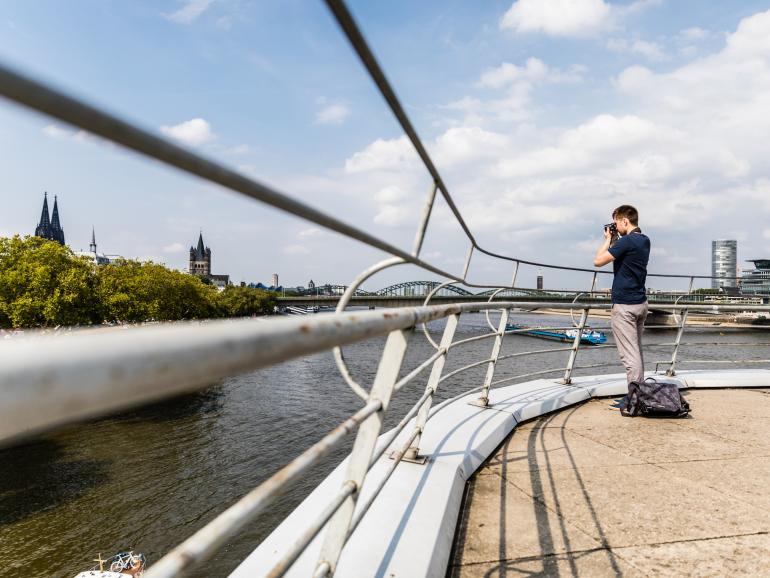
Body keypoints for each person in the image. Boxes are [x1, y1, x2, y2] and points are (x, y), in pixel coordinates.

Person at [593, 205, 650, 386]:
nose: (615, 227)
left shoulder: (626, 242)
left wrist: (608, 239)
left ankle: (635, 398)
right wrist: (615, 239)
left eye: (617, 222)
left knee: (629, 356)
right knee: (636, 352)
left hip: (625, 305)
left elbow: (598, 261)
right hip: (640, 302)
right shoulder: (644, 240)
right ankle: (639, 392)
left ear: (625, 221)